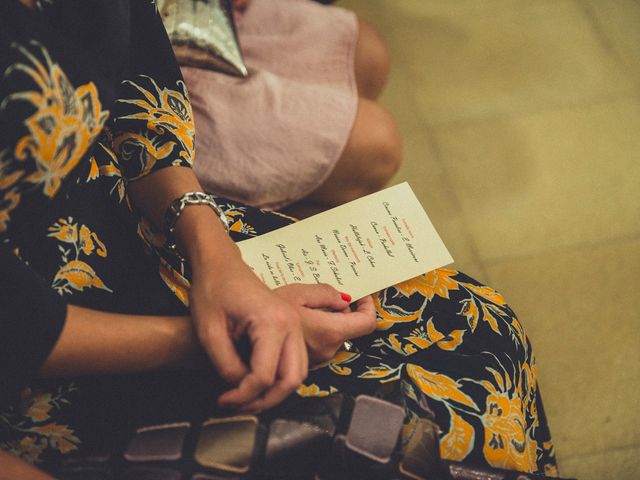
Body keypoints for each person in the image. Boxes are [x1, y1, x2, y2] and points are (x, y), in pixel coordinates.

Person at [0, 0, 558, 478]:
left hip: (135, 226)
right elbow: (19, 328)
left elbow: (138, 95)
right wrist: (207, 340)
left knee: (486, 327)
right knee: (399, 434)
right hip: (55, 364)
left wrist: (218, 259)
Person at [183, 0, 402, 217]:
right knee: (374, 147)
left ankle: (275, 206)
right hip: (165, 70)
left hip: (198, 11)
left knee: (368, 53)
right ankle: (255, 220)